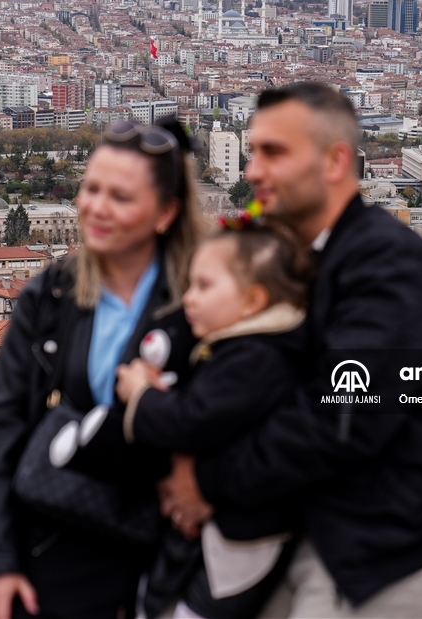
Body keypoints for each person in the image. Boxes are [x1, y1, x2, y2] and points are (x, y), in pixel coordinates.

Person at [159, 83, 422, 618]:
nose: (253, 171)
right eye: (253, 152)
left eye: (274, 153)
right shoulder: (310, 256)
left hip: (400, 554)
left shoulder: (383, 263)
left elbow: (343, 418)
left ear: (335, 161)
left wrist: (207, 481)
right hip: (339, 536)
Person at [0, 118, 201, 619]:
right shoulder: (51, 295)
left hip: (167, 541)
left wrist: (192, 470)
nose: (96, 207)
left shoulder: (201, 299)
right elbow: (5, 425)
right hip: (61, 533)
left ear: (166, 212)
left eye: (120, 197)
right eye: (91, 189)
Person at [113, 222, 311, 618]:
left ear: (253, 300)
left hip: (240, 538)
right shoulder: (246, 349)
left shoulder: (255, 357)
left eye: (203, 286)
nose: (188, 298)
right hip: (224, 527)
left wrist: (141, 396)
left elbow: (195, 421)